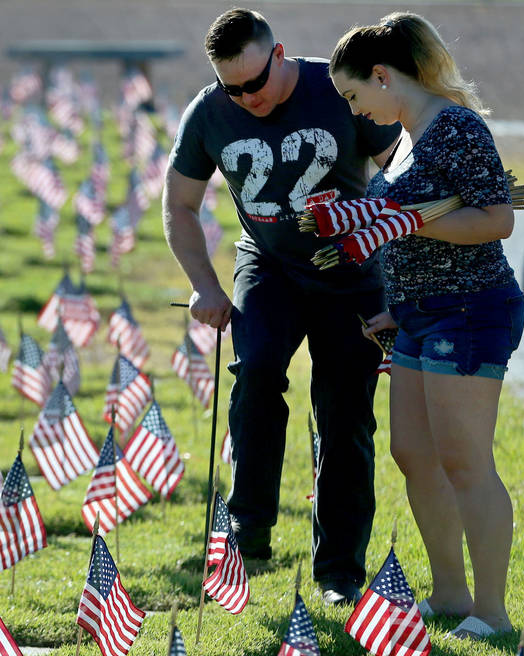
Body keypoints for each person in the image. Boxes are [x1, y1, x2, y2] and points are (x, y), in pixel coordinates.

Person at [163, 8, 401, 605]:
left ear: (281, 54)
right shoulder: (210, 112)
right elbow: (180, 204)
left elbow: (401, 178)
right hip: (268, 264)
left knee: (345, 415)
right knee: (259, 368)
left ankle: (340, 572)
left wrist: (400, 281)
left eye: (255, 83)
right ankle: (248, 526)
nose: (246, 98)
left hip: (352, 272)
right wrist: (205, 286)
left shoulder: (339, 88)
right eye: (231, 87)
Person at [330, 12, 522, 639]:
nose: (355, 110)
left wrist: (405, 221)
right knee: (413, 453)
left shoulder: (456, 127)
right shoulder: (409, 133)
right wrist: (399, 302)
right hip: (418, 314)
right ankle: (447, 594)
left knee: (466, 460)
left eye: (355, 95)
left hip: (469, 310)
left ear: (383, 75)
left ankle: (490, 611)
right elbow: (421, 221)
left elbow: (497, 220)